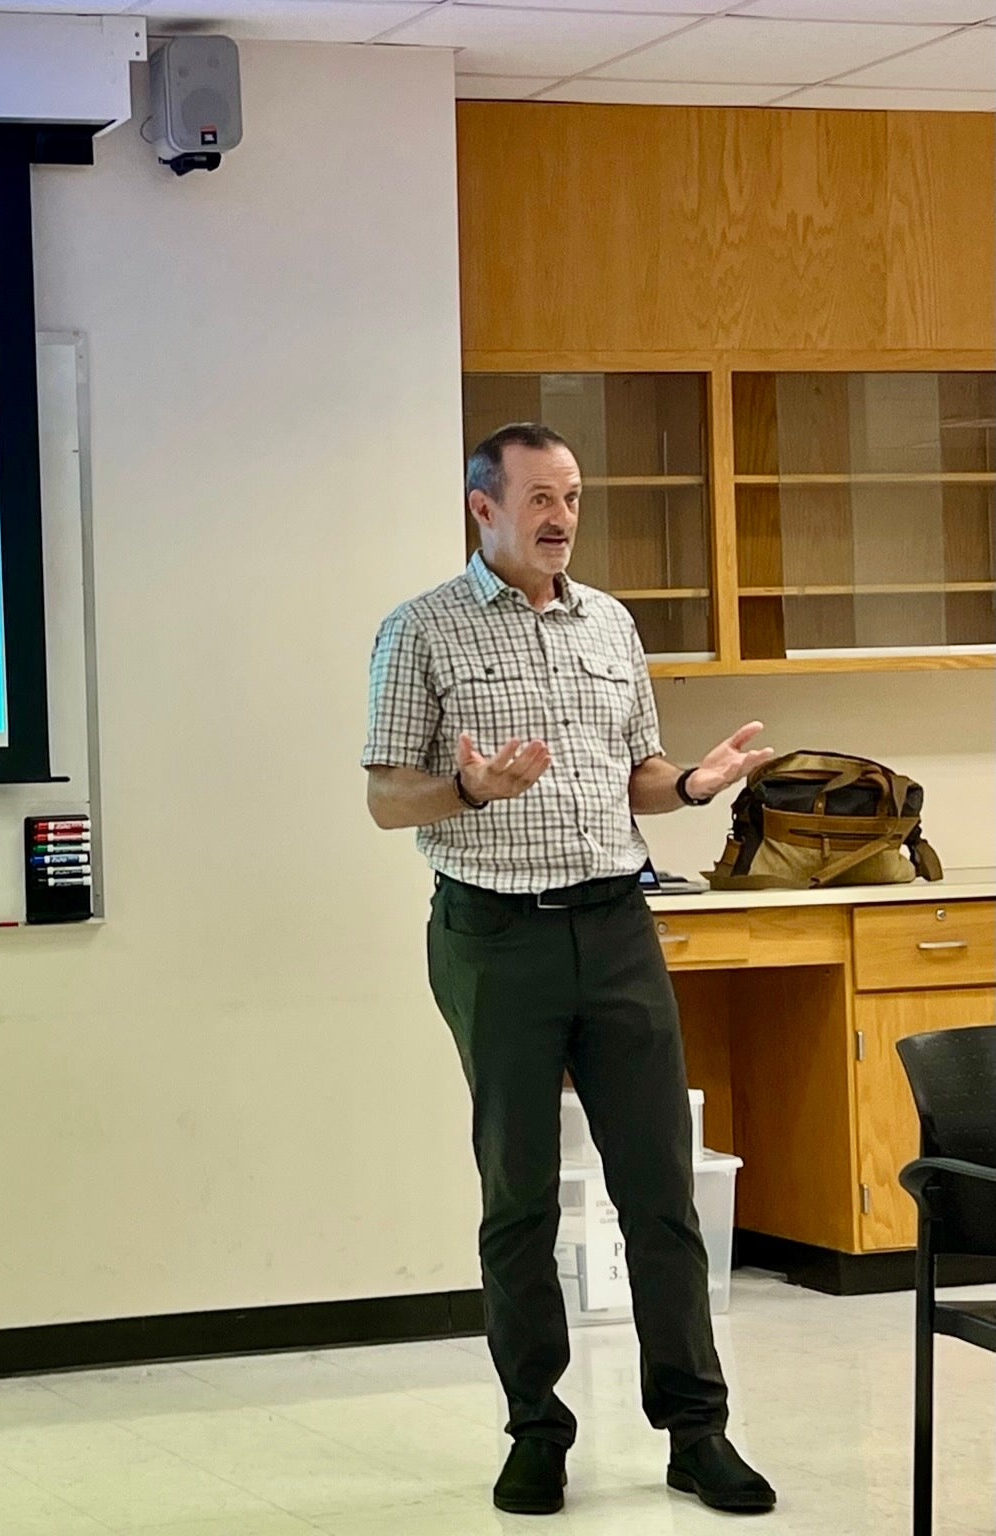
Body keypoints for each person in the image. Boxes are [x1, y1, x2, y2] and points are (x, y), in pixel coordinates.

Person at [361, 423, 779, 1517]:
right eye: (539, 497)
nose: (562, 517)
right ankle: (537, 1432)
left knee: (662, 1194)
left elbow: (633, 772)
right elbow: (385, 795)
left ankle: (697, 1431)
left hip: (619, 926)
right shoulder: (421, 632)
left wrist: (691, 786)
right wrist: (469, 793)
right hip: (494, 937)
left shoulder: (611, 623)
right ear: (482, 509)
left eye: (575, 498)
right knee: (517, 1198)